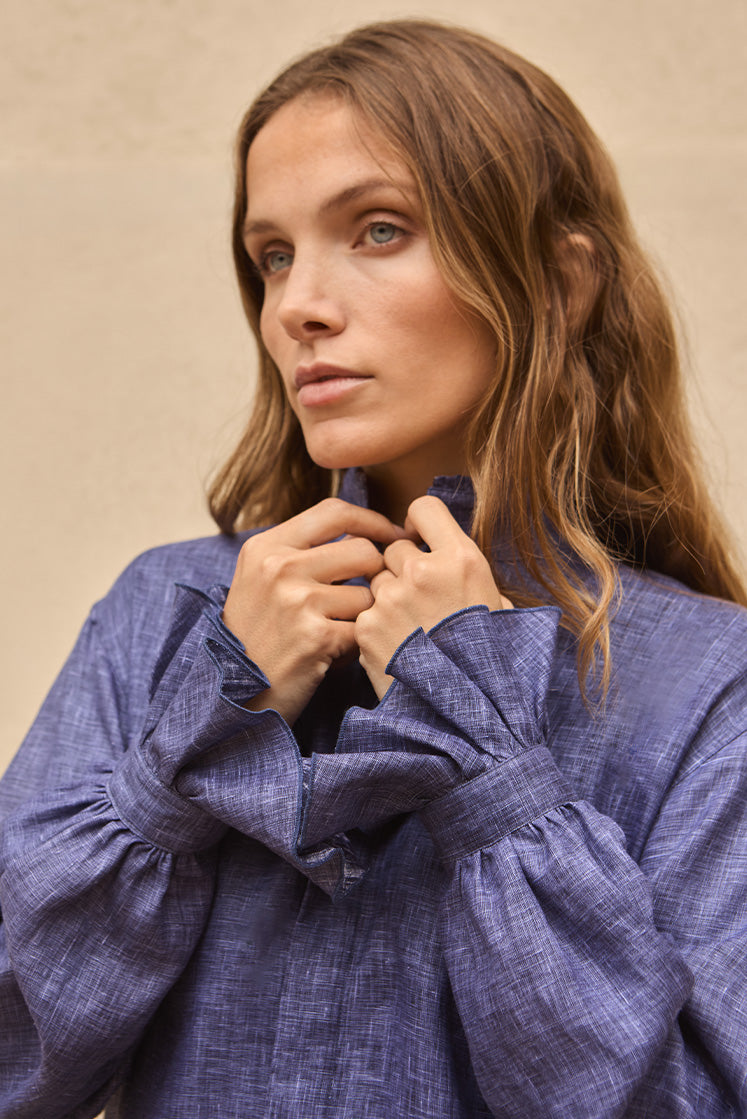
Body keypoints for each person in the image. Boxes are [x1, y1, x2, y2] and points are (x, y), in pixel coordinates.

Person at [0, 18, 745, 1118]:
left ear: (559, 281)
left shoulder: (709, 680)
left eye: (381, 229)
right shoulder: (163, 617)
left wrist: (491, 752)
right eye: (273, 254)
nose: (298, 304)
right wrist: (191, 740)